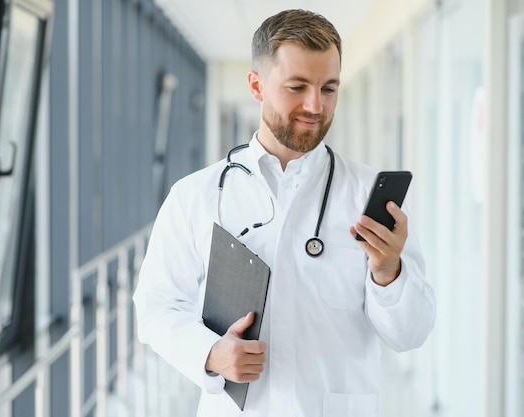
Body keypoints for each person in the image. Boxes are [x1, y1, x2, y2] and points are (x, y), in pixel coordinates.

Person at [133, 9, 435, 417]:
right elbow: (155, 307)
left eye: (329, 88)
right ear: (256, 85)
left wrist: (388, 271)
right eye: (297, 87)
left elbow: (411, 335)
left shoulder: (369, 197)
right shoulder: (196, 196)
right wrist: (210, 354)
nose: (315, 105)